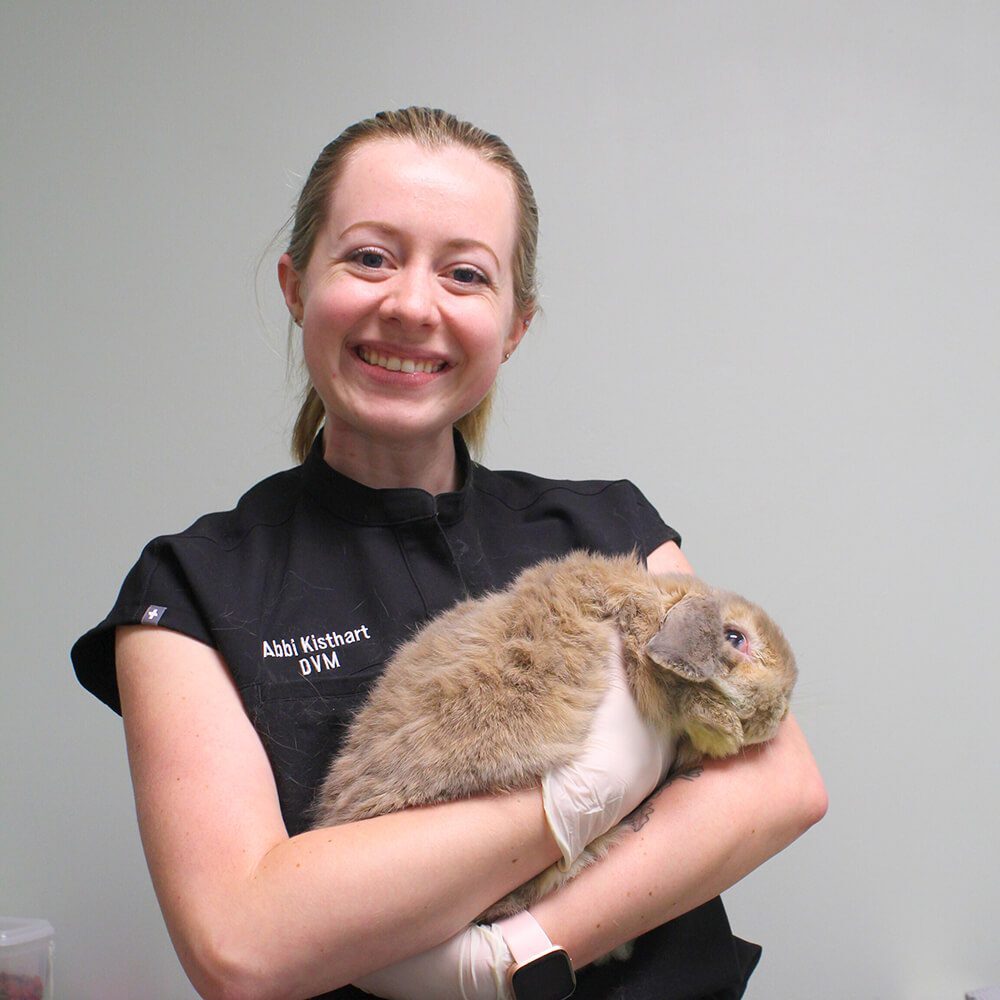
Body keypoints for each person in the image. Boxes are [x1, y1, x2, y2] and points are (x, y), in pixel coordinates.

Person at [72, 107, 827, 1000]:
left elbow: (779, 783)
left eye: (465, 274)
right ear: (296, 285)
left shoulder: (607, 525)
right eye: (369, 257)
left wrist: (510, 961)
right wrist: (579, 794)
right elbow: (242, 941)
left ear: (514, 325)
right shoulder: (193, 591)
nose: (410, 305)